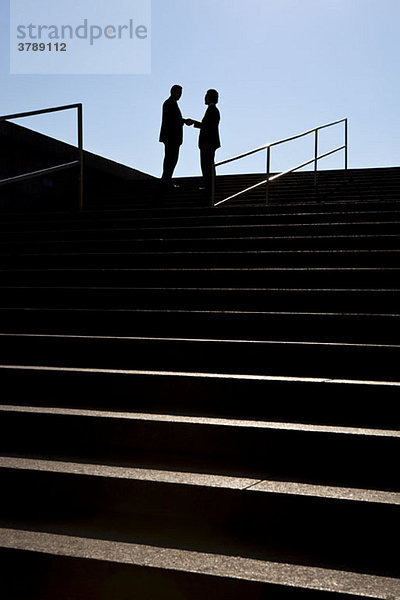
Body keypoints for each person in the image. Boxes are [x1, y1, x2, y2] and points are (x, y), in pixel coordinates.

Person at [190, 89, 221, 204]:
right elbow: (207, 126)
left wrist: (206, 141)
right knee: (207, 165)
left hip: (208, 143)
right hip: (209, 143)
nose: (204, 98)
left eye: (206, 96)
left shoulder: (212, 110)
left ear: (209, 97)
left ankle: (210, 187)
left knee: (207, 165)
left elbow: (209, 127)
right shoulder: (212, 110)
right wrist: (195, 123)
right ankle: (209, 186)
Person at [159, 84, 191, 186]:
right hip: (171, 137)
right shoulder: (169, 103)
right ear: (173, 92)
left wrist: (183, 121)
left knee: (171, 158)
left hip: (172, 137)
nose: (180, 95)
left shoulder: (171, 103)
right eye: (178, 92)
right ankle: (166, 179)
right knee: (171, 158)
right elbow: (172, 120)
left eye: (180, 93)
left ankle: (167, 178)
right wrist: (183, 121)